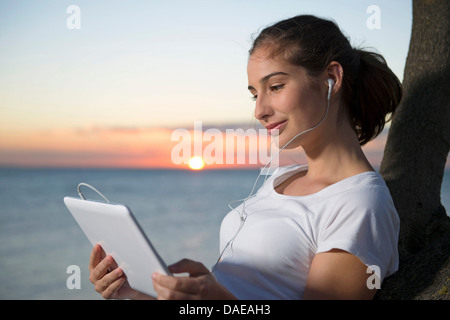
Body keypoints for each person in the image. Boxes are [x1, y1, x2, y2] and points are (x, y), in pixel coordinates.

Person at [88, 14, 402, 300]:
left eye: (275, 86)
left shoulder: (360, 204)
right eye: (254, 93)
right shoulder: (282, 180)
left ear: (331, 78)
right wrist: (130, 292)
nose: (259, 111)